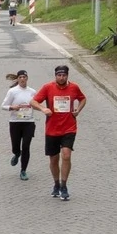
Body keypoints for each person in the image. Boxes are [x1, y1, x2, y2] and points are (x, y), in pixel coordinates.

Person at [33, 63, 89, 200]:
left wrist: (78, 110)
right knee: (54, 159)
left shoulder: (74, 87)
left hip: (69, 128)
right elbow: (33, 102)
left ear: (67, 76)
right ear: (55, 76)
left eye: (64, 75)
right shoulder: (48, 87)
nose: (61, 77)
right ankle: (56, 184)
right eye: (59, 75)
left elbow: (83, 99)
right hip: (52, 129)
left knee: (66, 155)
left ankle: (64, 186)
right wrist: (43, 109)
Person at [2, 68, 38, 179]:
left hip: (29, 122)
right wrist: (13, 107)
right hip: (15, 122)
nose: (22, 79)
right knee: (15, 146)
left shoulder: (32, 92)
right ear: (17, 79)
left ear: (27, 78)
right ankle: (17, 153)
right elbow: (3, 106)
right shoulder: (12, 91)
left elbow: (37, 104)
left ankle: (23, 170)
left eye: (24, 77)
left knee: (26, 146)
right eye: (20, 77)